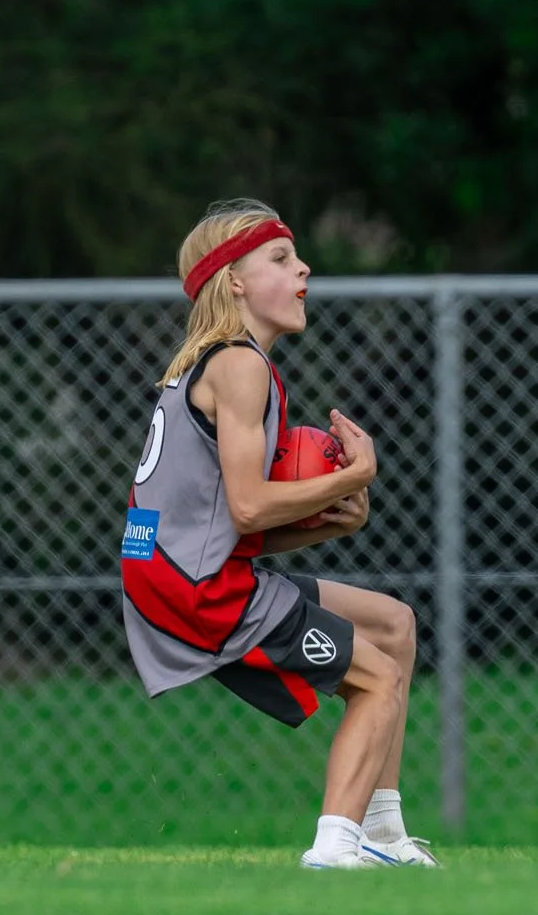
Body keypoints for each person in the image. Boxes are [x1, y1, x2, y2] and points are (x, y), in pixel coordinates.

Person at [120, 199, 435, 868]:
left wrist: (330, 522)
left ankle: (383, 834)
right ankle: (335, 846)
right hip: (198, 588)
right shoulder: (240, 365)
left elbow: (222, 525)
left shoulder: (214, 363)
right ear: (234, 281)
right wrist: (358, 475)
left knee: (394, 626)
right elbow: (248, 509)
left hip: (175, 571)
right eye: (281, 258)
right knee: (376, 681)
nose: (304, 269)